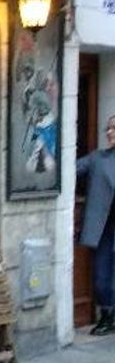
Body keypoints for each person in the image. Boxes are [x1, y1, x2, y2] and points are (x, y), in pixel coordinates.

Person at [76, 115, 115, 335]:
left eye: (114, 129)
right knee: (102, 276)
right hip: (104, 229)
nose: (109, 133)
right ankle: (107, 316)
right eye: (107, 129)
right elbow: (70, 169)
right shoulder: (98, 158)